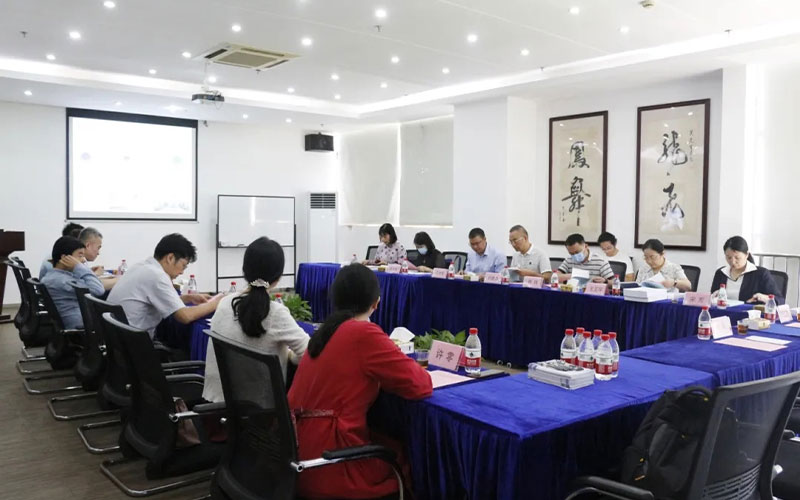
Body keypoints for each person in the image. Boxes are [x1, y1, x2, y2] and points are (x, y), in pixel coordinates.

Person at [288, 264, 432, 499]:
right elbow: (421, 385)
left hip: (295, 455)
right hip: (330, 463)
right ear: (376, 303)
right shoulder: (363, 334)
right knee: (408, 458)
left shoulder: (324, 332)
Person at [203, 237, 309, 403]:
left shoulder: (224, 303)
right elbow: (309, 353)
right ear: (278, 277)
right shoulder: (276, 313)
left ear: (244, 270)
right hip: (260, 411)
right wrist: (289, 356)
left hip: (215, 406)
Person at [107, 233, 222, 339]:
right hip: (136, 345)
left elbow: (154, 299)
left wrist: (186, 298)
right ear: (170, 258)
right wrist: (217, 303)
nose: (182, 272)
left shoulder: (141, 266)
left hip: (119, 341)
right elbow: (185, 316)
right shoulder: (157, 275)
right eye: (183, 265)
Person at [40, 236, 105, 329]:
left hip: (76, 322)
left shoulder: (55, 276)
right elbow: (98, 290)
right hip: (80, 327)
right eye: (80, 255)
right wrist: (79, 267)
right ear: (64, 258)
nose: (83, 260)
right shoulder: (63, 281)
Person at [711, 236, 784, 304]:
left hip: (749, 313)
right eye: (729, 257)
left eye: (737, 258)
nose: (733, 262)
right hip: (723, 312)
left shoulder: (761, 274)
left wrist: (764, 298)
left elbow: (780, 300)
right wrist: (713, 297)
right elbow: (712, 298)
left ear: (747, 255)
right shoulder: (721, 273)